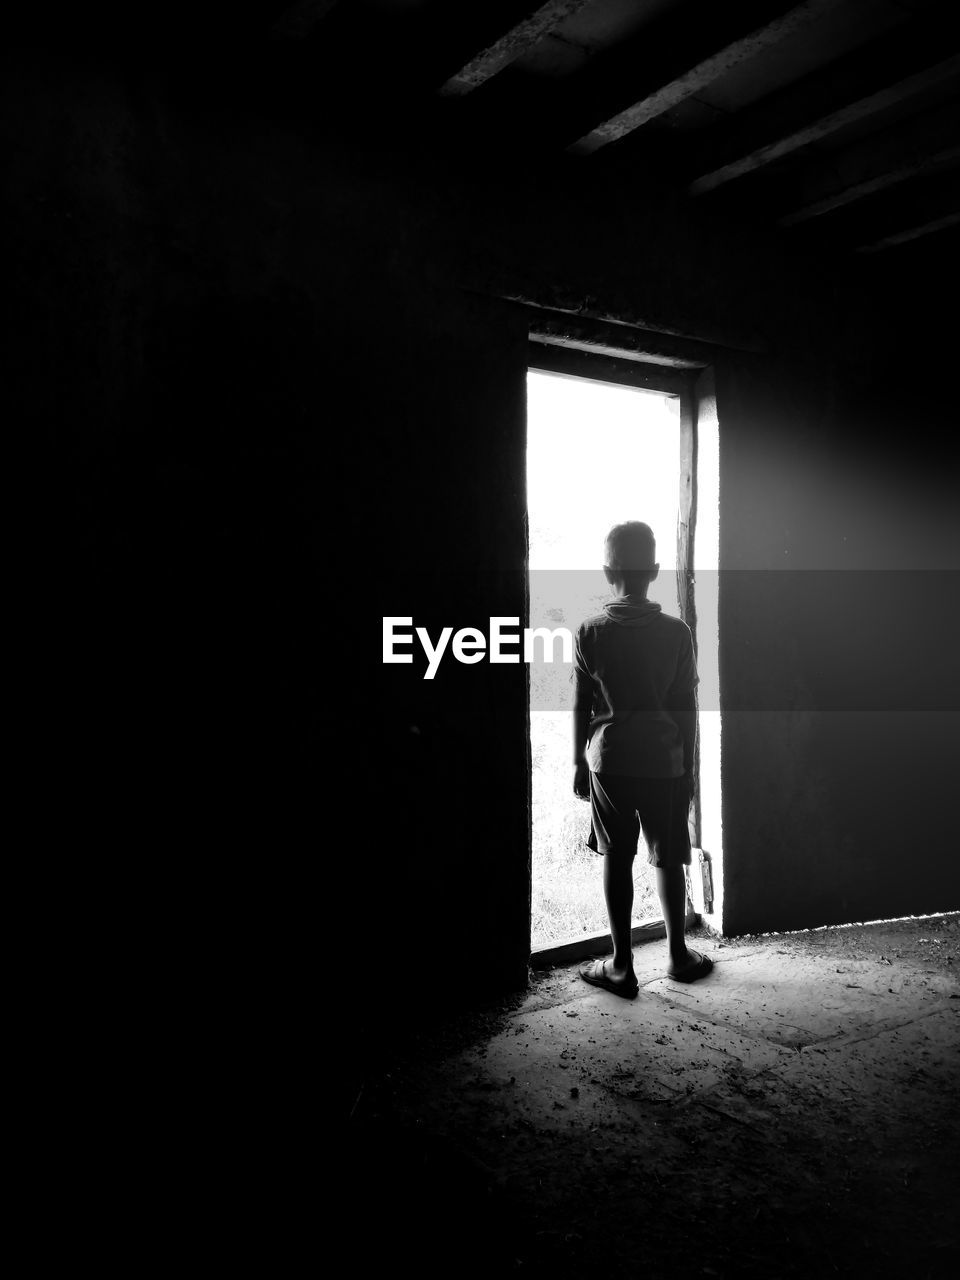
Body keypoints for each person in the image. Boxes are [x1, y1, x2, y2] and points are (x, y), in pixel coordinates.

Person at [572, 521, 712, 997]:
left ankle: (620, 965)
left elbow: (581, 707)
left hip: (610, 762)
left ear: (606, 569)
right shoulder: (676, 633)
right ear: (655, 569)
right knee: (668, 857)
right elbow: (685, 708)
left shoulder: (590, 632)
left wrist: (577, 763)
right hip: (664, 762)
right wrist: (688, 767)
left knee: (616, 856)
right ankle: (677, 955)